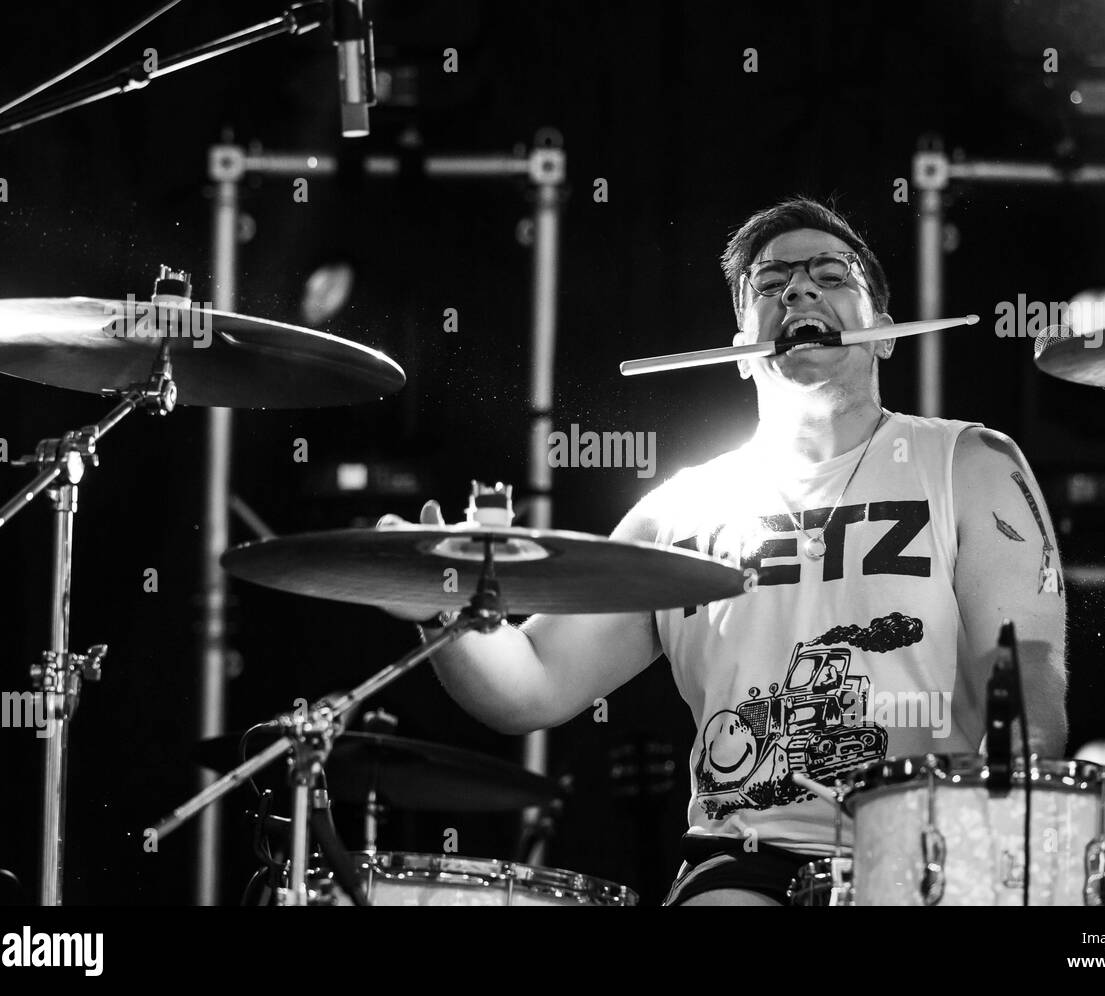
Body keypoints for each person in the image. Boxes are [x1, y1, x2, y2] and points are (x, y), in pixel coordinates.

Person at [383, 197, 1068, 906]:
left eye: (831, 276)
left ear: (885, 334)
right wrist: (437, 605)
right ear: (741, 349)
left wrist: (978, 860)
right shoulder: (680, 510)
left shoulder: (972, 463)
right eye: (770, 287)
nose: (799, 290)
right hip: (742, 858)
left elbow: (1027, 705)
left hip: (928, 855)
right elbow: (531, 685)